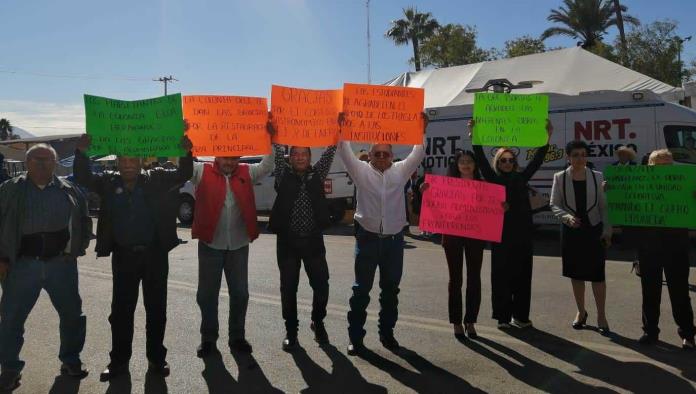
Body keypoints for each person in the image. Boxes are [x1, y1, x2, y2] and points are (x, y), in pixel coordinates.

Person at [74, 134, 193, 381]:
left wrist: (186, 151)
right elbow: (84, 177)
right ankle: (118, 362)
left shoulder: (156, 178)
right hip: (123, 258)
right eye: (123, 160)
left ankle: (157, 360)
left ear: (140, 162)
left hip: (154, 257)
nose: (128, 164)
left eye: (132, 160)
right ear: (117, 162)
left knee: (157, 311)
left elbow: (183, 175)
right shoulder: (108, 182)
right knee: (120, 314)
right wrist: (81, 152)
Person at [0, 144, 92, 390]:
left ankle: (70, 361)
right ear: (27, 163)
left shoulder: (69, 190)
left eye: (48, 160)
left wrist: (76, 250)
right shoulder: (10, 190)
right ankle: (9, 369)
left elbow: (84, 220)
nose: (42, 164)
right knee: (11, 319)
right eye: (37, 159)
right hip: (21, 265)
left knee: (72, 315)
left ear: (55, 163)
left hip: (60, 264)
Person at [339, 114, 426, 356]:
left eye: (385, 153)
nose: (381, 157)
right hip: (366, 240)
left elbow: (417, 154)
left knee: (390, 291)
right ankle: (356, 339)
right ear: (369, 155)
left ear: (391, 155)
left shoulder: (400, 171)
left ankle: (387, 334)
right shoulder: (361, 172)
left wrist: (421, 130)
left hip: (394, 242)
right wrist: (343, 129)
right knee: (360, 291)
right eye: (376, 153)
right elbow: (344, 153)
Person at [192, 121, 275, 358]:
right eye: (224, 157)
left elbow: (268, 164)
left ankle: (237, 337)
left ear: (240, 158)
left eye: (233, 158)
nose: (229, 162)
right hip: (210, 245)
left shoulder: (247, 173)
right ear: (216, 156)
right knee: (207, 296)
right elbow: (184, 165)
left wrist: (270, 138)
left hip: (239, 246)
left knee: (240, 294)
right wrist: (184, 140)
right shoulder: (201, 171)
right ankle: (208, 339)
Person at [470, 119, 553, 329]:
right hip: (501, 235)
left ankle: (521, 316)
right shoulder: (492, 179)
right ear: (497, 162)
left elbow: (536, 161)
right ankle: (503, 317)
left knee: (523, 275)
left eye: (510, 160)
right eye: (503, 160)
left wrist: (546, 137)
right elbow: (480, 160)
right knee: (501, 275)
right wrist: (475, 135)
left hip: (523, 234)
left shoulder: (521, 178)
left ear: (514, 162)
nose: (507, 163)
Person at [268, 143, 336, 351]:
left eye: (303, 154)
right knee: (288, 289)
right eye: (295, 154)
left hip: (313, 241)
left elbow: (330, 151)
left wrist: (337, 131)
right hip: (288, 242)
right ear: (290, 157)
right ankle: (291, 331)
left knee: (322, 284)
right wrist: (274, 134)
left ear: (309, 156)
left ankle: (318, 322)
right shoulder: (282, 174)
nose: (299, 158)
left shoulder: (318, 173)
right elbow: (277, 152)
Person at [421, 150, 487, 339]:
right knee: (455, 279)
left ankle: (470, 321)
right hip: (453, 236)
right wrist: (425, 192)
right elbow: (433, 207)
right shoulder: (446, 186)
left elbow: (491, 211)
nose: (466, 164)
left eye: (469, 161)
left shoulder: (484, 186)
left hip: (476, 235)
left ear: (475, 165)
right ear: (456, 165)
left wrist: (501, 207)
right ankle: (457, 322)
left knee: (474, 278)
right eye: (462, 162)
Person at [633, 149, 695, 349]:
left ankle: (688, 334)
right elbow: (627, 217)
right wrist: (612, 191)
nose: (663, 168)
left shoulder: (685, 185)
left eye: (667, 164)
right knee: (650, 293)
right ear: (649, 167)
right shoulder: (638, 187)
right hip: (648, 248)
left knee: (680, 293)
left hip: (676, 248)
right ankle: (650, 332)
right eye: (658, 165)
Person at [550, 140, 612, 335]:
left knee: (597, 275)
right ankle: (581, 311)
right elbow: (554, 204)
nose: (580, 158)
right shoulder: (560, 177)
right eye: (575, 155)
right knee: (576, 274)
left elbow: (604, 207)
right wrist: (567, 218)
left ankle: (601, 315)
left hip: (594, 230)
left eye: (583, 154)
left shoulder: (597, 177)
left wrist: (607, 231)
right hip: (571, 231)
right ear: (568, 157)